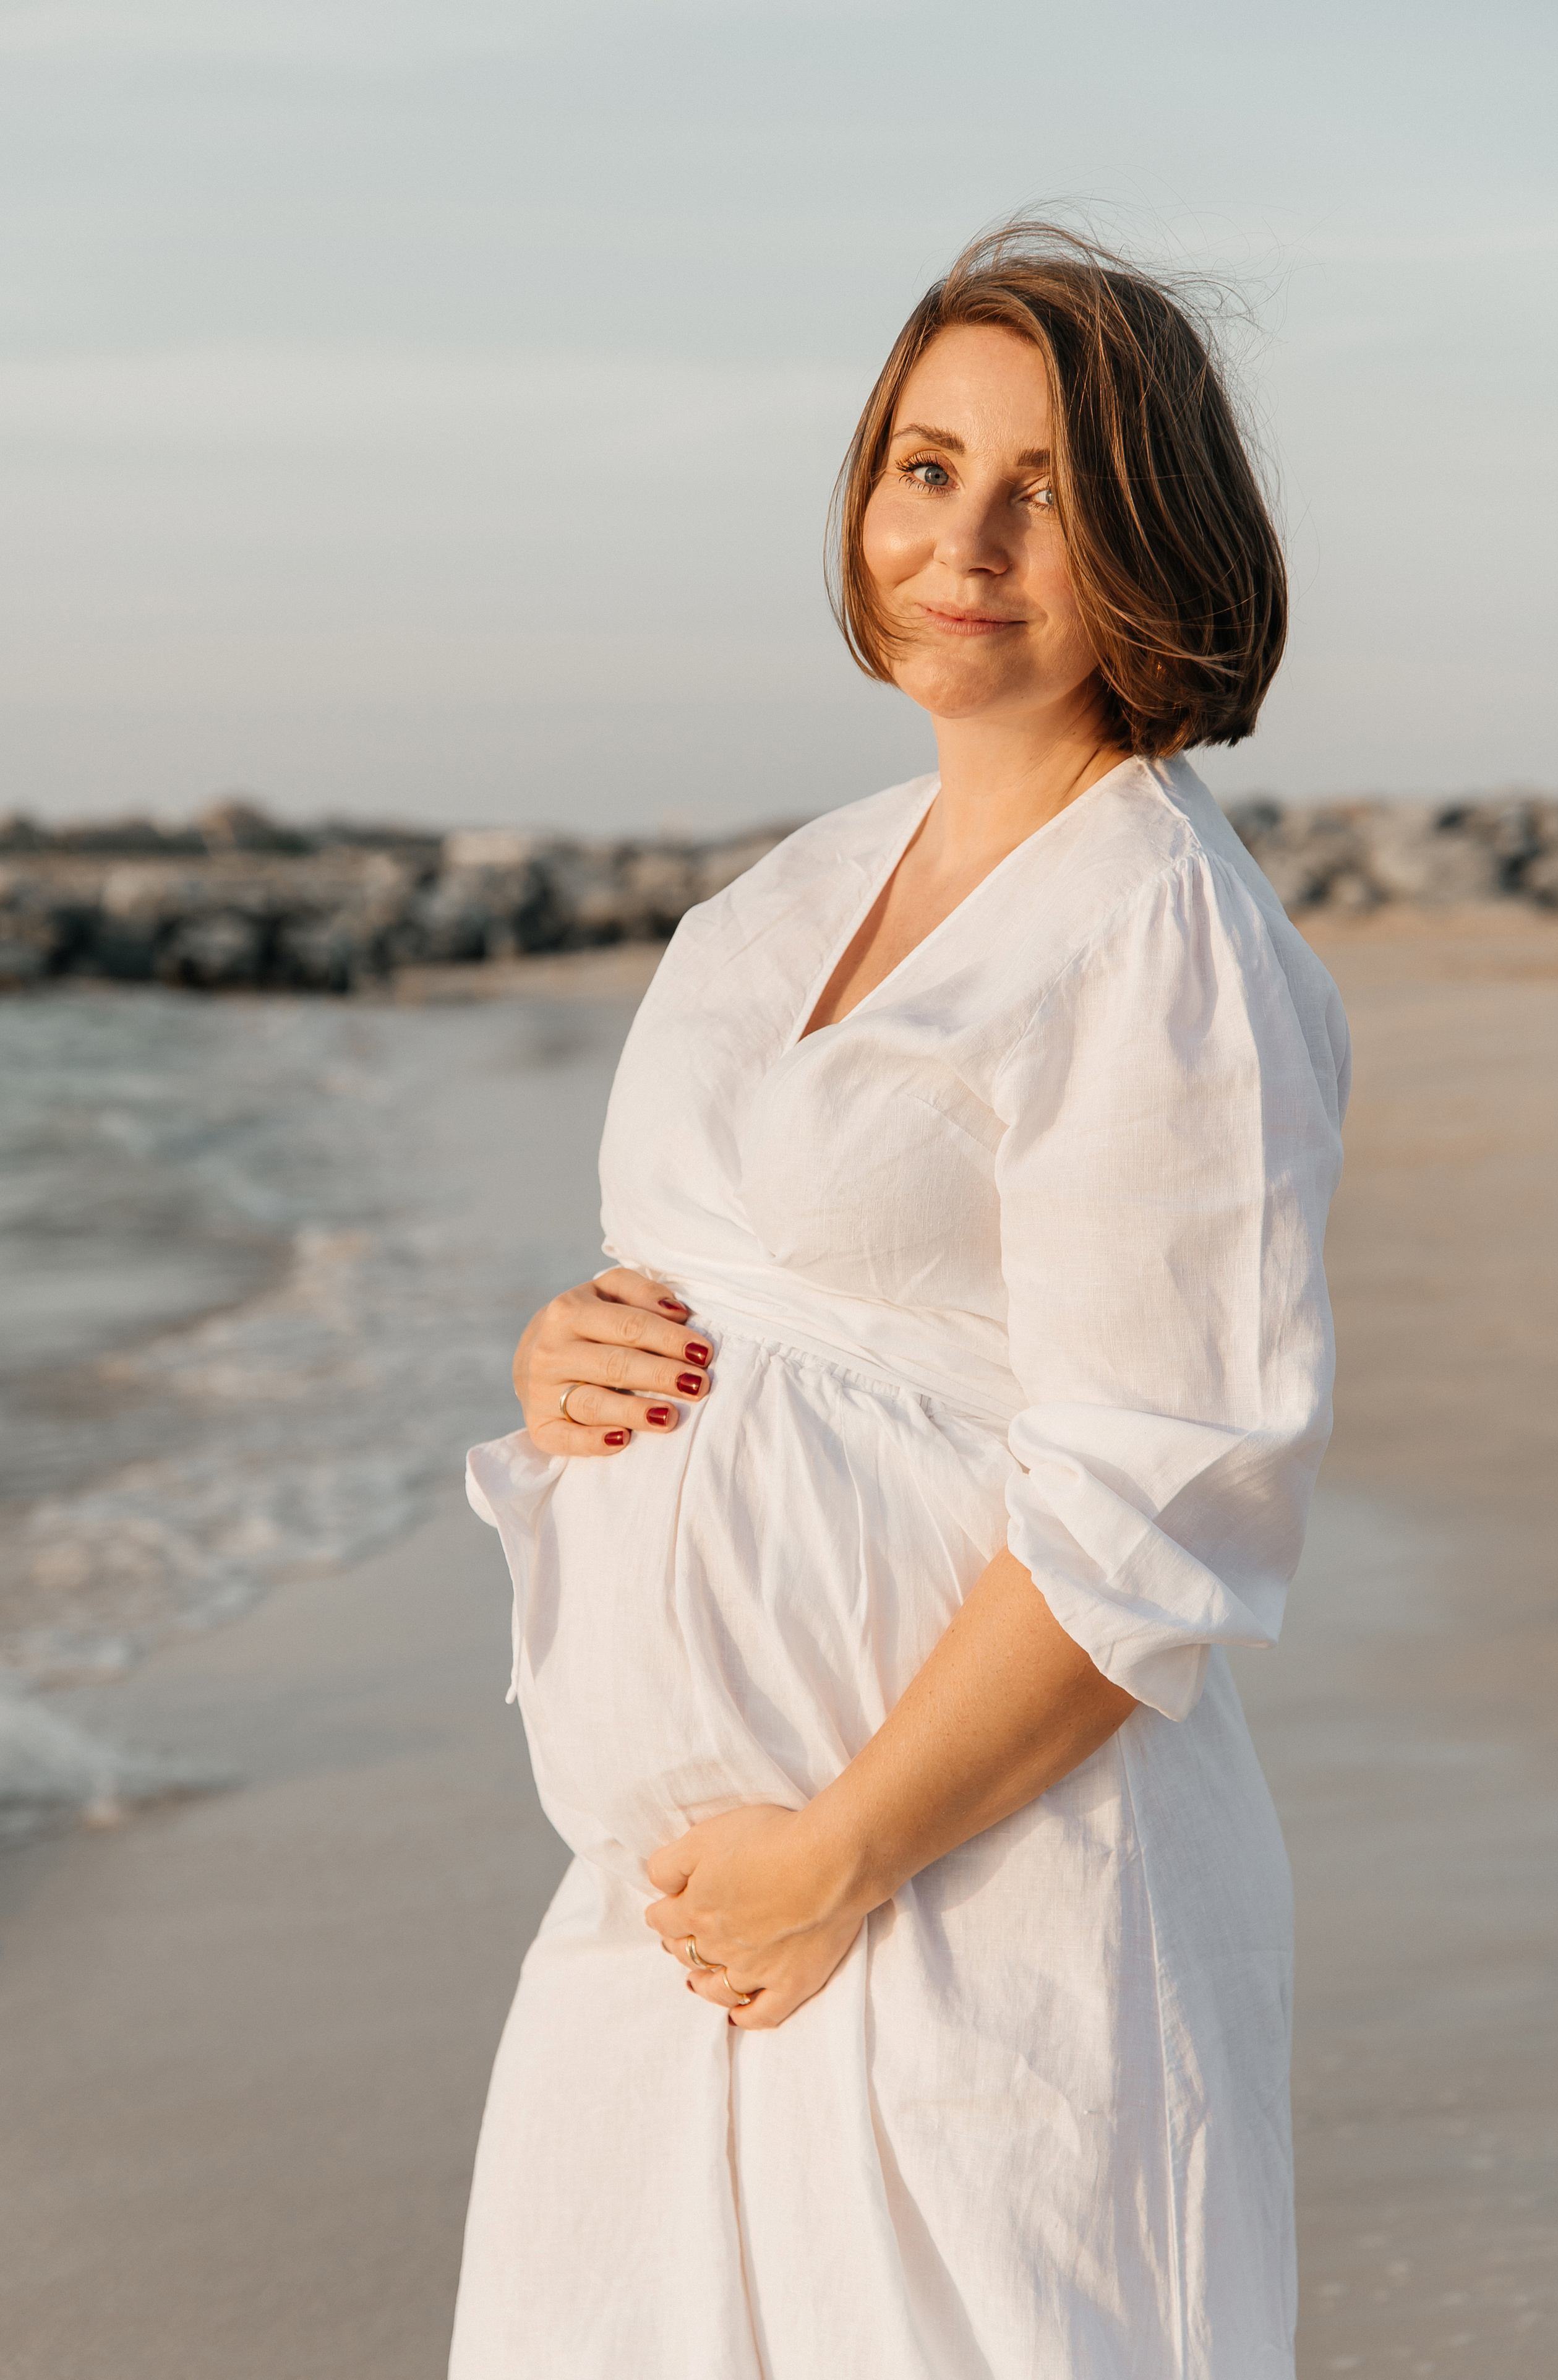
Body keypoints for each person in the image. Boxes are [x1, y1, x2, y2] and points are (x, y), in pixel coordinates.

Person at [448, 220, 1348, 2379]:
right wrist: (567, 1359)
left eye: (1049, 485)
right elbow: (750, 1292)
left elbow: (1164, 1495)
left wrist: (838, 1854)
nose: (970, 535)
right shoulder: (800, 884)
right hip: (683, 1914)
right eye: (927, 467)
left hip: (969, 1900)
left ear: (1161, 540)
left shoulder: (1162, 937)